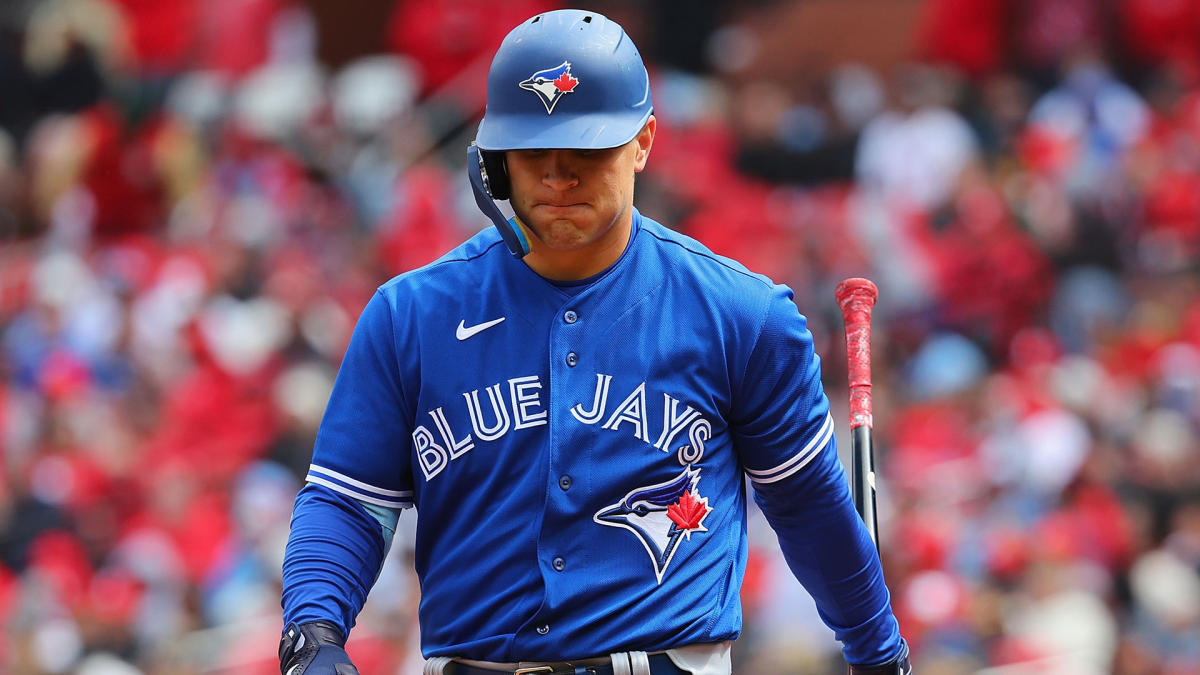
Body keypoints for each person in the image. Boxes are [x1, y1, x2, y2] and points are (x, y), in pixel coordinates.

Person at [279, 9, 911, 675]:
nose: (559, 174)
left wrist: (877, 651)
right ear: (493, 157)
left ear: (642, 142)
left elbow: (808, 504)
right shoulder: (409, 316)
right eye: (533, 150)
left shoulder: (743, 316)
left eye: (587, 148)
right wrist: (314, 633)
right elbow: (349, 502)